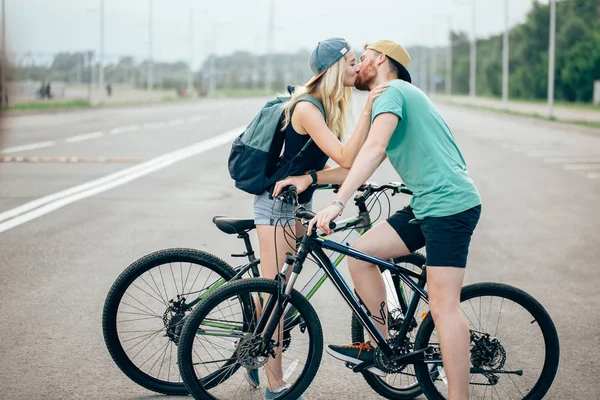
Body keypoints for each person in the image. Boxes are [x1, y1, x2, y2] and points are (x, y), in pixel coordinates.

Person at [307, 40, 482, 400]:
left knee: (443, 306)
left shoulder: (392, 91)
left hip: (449, 207)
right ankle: (377, 344)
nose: (358, 66)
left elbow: (375, 149)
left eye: (364, 58)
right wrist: (311, 179)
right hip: (426, 204)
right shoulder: (391, 96)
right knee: (360, 254)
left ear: (381, 60)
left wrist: (338, 204)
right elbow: (358, 156)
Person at [253, 37, 387, 399]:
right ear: (333, 68)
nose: (358, 68)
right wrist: (366, 111)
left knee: (279, 285)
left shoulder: (326, 108)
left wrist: (314, 178)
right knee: (278, 296)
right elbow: (345, 157)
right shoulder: (307, 109)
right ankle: (274, 384)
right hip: (276, 207)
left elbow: (346, 171)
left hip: (295, 206)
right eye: (352, 62)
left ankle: (255, 330)